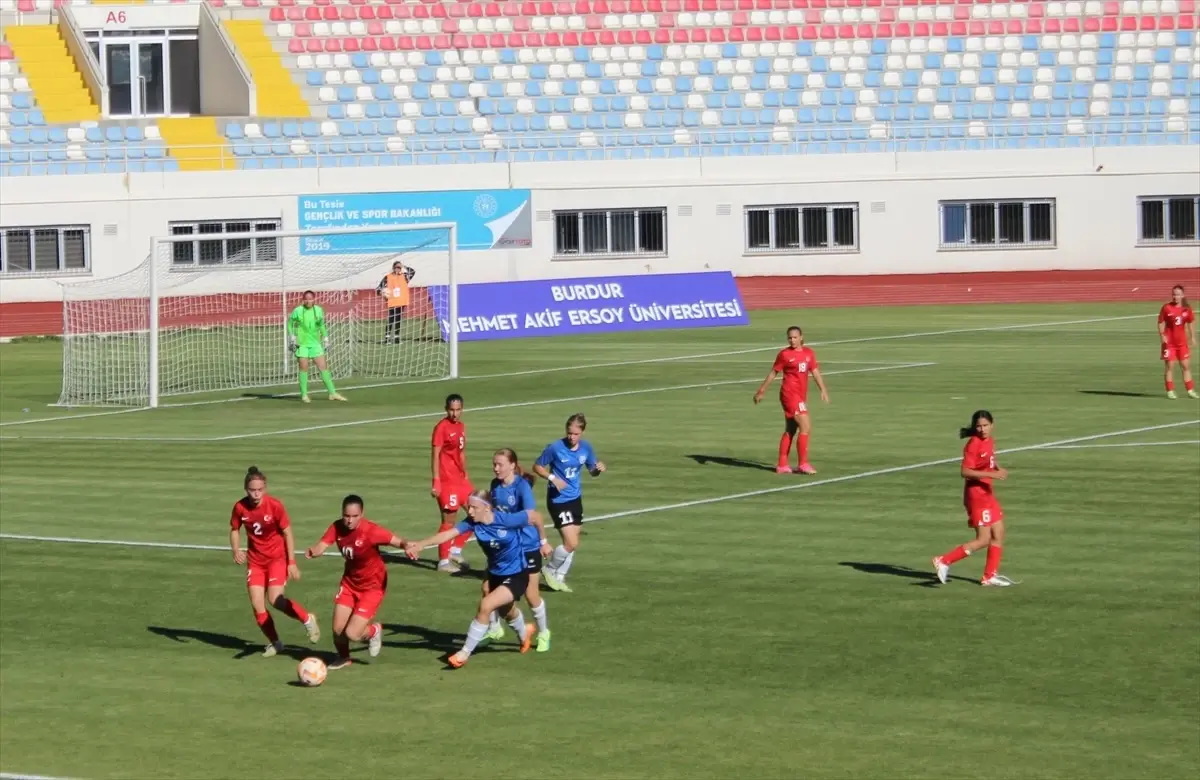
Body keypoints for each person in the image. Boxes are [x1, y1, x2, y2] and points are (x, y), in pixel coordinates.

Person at [404, 490, 542, 668]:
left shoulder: (507, 520)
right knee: (506, 611)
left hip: (517, 574)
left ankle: (463, 653)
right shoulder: (472, 523)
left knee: (486, 605)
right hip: (495, 573)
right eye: (469, 507)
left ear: (486, 508)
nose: (469, 511)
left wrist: (543, 543)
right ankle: (525, 633)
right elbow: (447, 535)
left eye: (473, 507)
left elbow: (536, 516)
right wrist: (421, 544)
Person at [305, 494, 410, 670]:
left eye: (354, 516)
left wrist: (408, 546)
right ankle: (344, 658)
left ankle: (374, 631)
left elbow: (396, 541)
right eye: (346, 516)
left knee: (352, 633)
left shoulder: (371, 531)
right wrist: (315, 551)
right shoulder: (337, 527)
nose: (349, 520)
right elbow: (322, 544)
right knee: (338, 630)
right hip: (349, 584)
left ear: (361, 514)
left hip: (372, 587)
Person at [229, 466, 320, 656]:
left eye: (260, 489)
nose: (256, 494)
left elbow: (287, 533)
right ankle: (276, 642)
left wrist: (292, 562)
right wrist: (236, 549)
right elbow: (235, 529)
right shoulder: (240, 507)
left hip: (276, 559)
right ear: (246, 489)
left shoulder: (275, 506)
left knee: (275, 600)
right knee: (257, 604)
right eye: (252, 490)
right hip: (255, 562)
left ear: (265, 488)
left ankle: (307, 619)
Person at [932, 410, 1016, 588]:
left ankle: (989, 576)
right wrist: (990, 475)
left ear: (992, 425)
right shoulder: (973, 444)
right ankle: (944, 561)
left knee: (998, 532)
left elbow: (990, 461)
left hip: (987, 493)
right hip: (977, 496)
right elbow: (965, 471)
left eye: (985, 425)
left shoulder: (989, 441)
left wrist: (999, 469)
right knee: (984, 538)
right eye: (979, 426)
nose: (982, 429)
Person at [532, 413, 606, 593]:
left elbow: (591, 470)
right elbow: (537, 466)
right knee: (571, 543)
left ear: (582, 432)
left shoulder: (586, 448)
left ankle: (559, 577)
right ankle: (548, 569)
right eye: (569, 433)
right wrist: (552, 478)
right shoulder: (555, 448)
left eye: (575, 434)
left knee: (574, 542)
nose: (571, 437)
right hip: (558, 500)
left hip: (575, 498)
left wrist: (598, 469)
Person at [489, 448, 553, 652]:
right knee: (488, 590)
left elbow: (533, 517)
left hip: (527, 546)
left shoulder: (522, 487)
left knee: (530, 594)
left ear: (512, 466)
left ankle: (543, 632)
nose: (495, 468)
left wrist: (543, 541)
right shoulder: (494, 486)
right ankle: (495, 627)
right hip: (505, 547)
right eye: (494, 464)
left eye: (499, 464)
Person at [752, 326, 830, 474]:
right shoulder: (785, 354)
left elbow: (815, 371)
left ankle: (782, 465)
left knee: (791, 429)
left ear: (801, 337)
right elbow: (773, 373)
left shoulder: (809, 353)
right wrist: (761, 391)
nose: (792, 340)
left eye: (795, 337)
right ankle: (803, 464)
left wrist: (823, 389)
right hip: (789, 394)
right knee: (805, 426)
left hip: (800, 395)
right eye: (790, 338)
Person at [430, 393, 474, 573]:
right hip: (447, 480)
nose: (455, 414)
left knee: (478, 512)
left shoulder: (461, 426)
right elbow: (435, 455)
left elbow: (461, 453)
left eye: (458, 410)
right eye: (451, 410)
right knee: (449, 520)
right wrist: (436, 481)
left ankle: (455, 550)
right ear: (446, 409)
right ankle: (443, 561)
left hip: (460, 479)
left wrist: (466, 475)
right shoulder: (441, 428)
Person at [288, 290, 347, 404]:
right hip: (302, 344)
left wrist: (326, 338)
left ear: (314, 299)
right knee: (303, 368)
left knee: (323, 367)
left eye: (310, 299)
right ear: (303, 299)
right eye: (306, 299)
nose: (308, 301)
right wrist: (292, 337)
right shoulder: (298, 311)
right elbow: (289, 324)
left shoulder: (318, 310)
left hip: (315, 344)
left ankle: (332, 393)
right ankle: (304, 395)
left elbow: (321, 325)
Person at [1158, 284, 1197, 399]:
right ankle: (1170, 390)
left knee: (1186, 366)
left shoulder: (1187, 308)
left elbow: (1191, 322)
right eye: (1174, 294)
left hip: (1182, 343)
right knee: (1170, 366)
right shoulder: (1166, 308)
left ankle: (1190, 390)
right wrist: (1162, 335)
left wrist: (1193, 337)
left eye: (1178, 294)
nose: (1176, 297)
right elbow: (1160, 322)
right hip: (1169, 343)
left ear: (1183, 295)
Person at [375, 260, 416, 344]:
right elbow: (378, 289)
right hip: (392, 301)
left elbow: (412, 271)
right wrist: (383, 293)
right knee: (391, 319)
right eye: (397, 267)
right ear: (393, 268)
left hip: (401, 301)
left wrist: (403, 265)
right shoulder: (388, 277)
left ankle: (397, 338)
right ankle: (387, 339)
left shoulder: (405, 276)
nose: (398, 269)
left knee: (398, 319)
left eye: (399, 267)